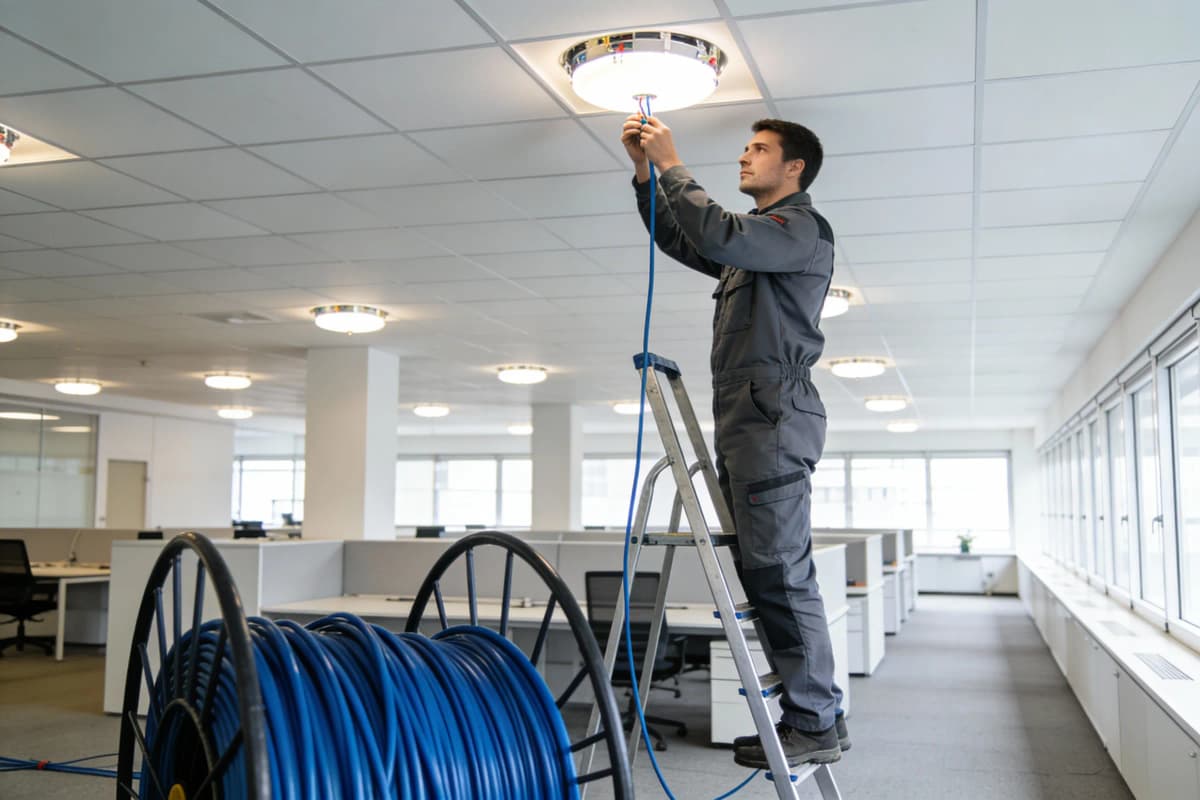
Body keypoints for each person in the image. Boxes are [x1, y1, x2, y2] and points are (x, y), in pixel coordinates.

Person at [623, 114, 848, 768]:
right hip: (750, 417)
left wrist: (673, 162)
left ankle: (813, 719)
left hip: (771, 415)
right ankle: (818, 716)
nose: (745, 158)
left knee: (778, 571)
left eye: (759, 149)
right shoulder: (757, 240)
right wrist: (644, 174)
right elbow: (683, 235)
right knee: (764, 569)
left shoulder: (799, 228)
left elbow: (717, 230)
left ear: (794, 167)